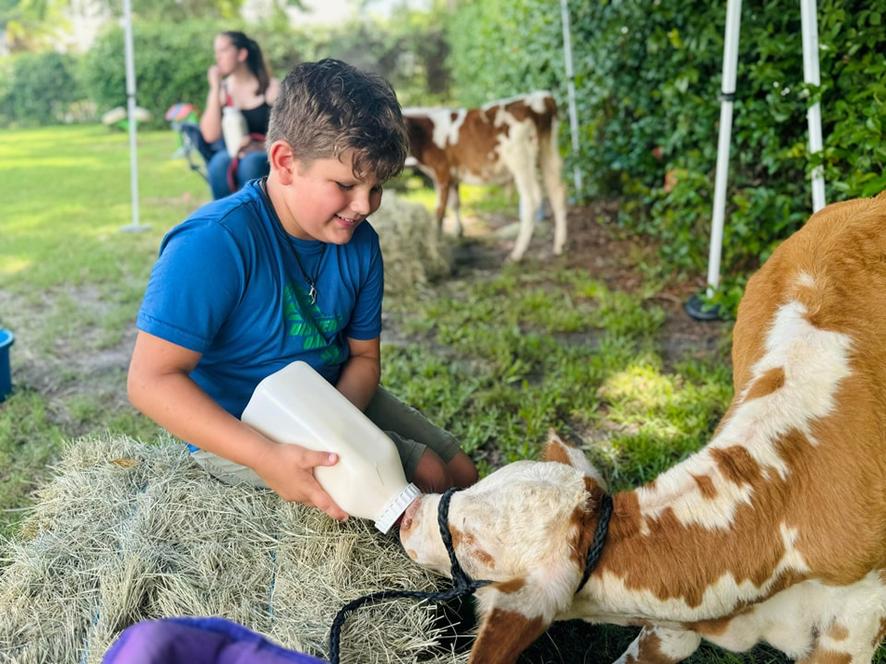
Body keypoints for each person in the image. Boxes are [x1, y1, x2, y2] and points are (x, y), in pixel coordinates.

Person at [128, 59, 478, 522]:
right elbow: (150, 381)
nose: (364, 206)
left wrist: (337, 426)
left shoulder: (360, 244)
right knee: (427, 477)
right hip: (240, 424)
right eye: (347, 184)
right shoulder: (214, 243)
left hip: (333, 393)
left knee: (462, 473)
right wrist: (267, 456)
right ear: (285, 162)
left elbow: (363, 359)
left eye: (377, 188)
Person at [200, 31, 279, 199]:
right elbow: (210, 136)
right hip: (231, 152)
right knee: (218, 163)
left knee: (250, 164)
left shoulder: (270, 89)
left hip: (264, 151)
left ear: (242, 54)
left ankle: (256, 219)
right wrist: (215, 89)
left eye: (223, 51)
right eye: (216, 52)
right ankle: (224, 222)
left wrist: (259, 145)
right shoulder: (222, 91)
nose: (218, 58)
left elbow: (291, 134)